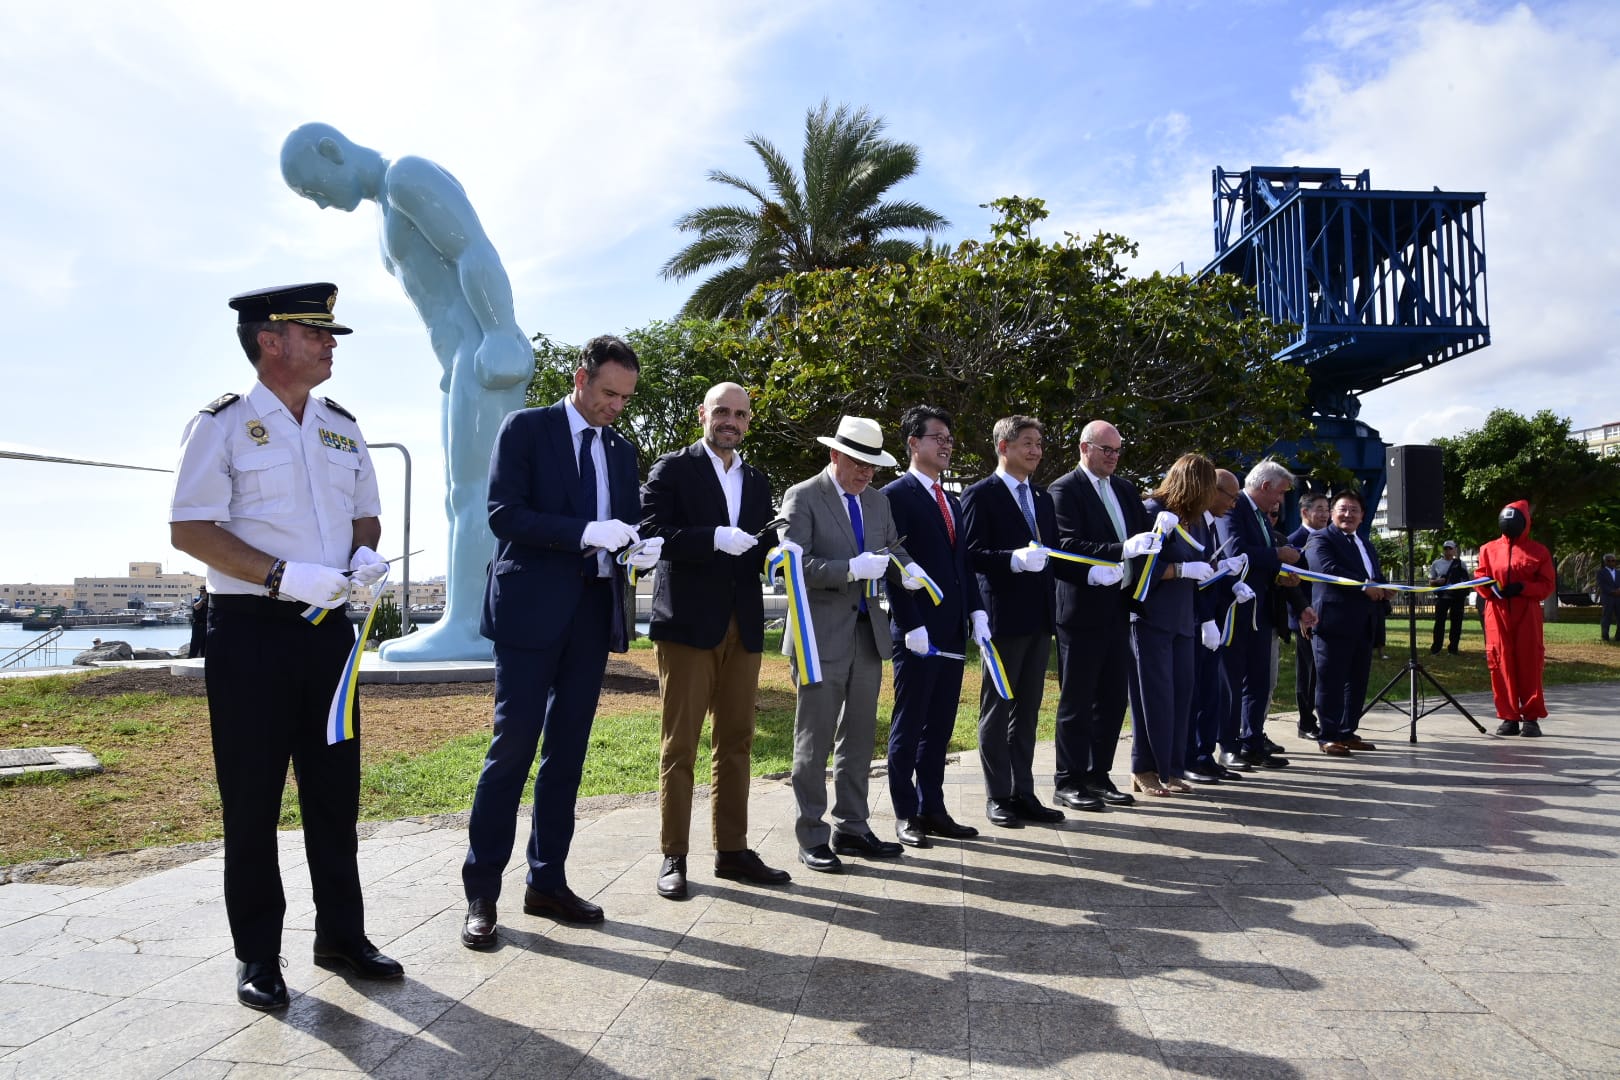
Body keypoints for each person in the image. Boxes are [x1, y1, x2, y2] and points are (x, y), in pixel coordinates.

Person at [170, 283, 400, 1011]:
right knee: (253, 798)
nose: (332, 344)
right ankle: (258, 956)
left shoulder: (341, 424)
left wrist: (363, 557)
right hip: (253, 635)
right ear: (271, 340)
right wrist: (278, 576)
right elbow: (190, 529)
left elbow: (366, 512)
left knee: (335, 793)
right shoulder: (223, 426)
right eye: (317, 331)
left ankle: (341, 935)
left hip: (329, 632)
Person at [281, 124, 535, 662]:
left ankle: (474, 627)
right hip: (460, 361)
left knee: (476, 494)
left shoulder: (407, 175)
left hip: (483, 352)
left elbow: (473, 250)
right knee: (459, 496)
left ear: (332, 151)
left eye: (314, 188)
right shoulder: (385, 206)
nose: (322, 204)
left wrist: (499, 331)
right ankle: (468, 619)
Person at [459, 336, 661, 948]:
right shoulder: (526, 429)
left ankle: (546, 880)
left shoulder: (622, 452)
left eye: (625, 399)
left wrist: (638, 547)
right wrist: (584, 532)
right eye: (607, 394)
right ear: (580, 379)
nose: (615, 408)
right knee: (512, 749)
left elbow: (626, 524)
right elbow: (503, 515)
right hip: (529, 614)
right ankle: (482, 894)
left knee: (567, 754)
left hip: (592, 617)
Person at [638, 383, 791, 900]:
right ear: (703, 414)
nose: (731, 420)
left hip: (743, 624)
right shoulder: (672, 469)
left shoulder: (758, 478)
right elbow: (651, 532)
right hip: (686, 625)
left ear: (749, 421)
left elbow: (759, 543)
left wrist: (776, 552)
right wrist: (711, 537)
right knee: (680, 745)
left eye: (740, 414)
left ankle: (732, 849)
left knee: (737, 741)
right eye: (721, 411)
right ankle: (673, 855)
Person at [780, 416, 918, 872]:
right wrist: (848, 570)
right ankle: (812, 834)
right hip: (819, 635)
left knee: (858, 738)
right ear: (835, 454)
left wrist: (908, 570)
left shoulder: (877, 502)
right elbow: (792, 568)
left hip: (868, 633)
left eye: (873, 466)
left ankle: (852, 827)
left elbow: (891, 550)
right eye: (859, 462)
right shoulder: (803, 496)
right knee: (813, 739)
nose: (866, 473)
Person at [881, 406, 987, 847]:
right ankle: (906, 813)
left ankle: (933, 807)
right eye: (937, 437)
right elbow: (892, 561)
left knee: (941, 724)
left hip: (952, 629)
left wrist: (977, 611)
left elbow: (962, 563)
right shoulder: (896, 495)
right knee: (910, 724)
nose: (946, 445)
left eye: (949, 438)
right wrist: (909, 622)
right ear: (913, 443)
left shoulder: (954, 501)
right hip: (918, 631)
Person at [959, 416, 1069, 827]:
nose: (1037, 451)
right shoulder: (980, 495)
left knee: (1028, 711)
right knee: (997, 707)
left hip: (1040, 618)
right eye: (1027, 443)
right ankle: (997, 795)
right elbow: (970, 556)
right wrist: (1012, 560)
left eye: (1039, 443)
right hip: (1002, 619)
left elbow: (1055, 553)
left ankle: (1024, 791)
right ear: (1003, 447)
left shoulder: (1041, 498)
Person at [1048, 420, 1160, 811]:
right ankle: (1068, 779)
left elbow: (1144, 535)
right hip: (1081, 610)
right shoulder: (1064, 489)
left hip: (1118, 607)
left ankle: (1098, 776)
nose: (1113, 457)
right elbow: (1065, 544)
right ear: (1085, 448)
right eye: (1106, 450)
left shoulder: (1126, 489)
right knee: (1078, 699)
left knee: (1113, 698)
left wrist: (1160, 530)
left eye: (1117, 451)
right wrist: (1119, 550)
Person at [1127, 454, 1220, 796]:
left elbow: (1203, 565)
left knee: (1182, 697)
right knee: (1152, 698)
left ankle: (1172, 768)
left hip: (1183, 620)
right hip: (1151, 618)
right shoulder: (1154, 511)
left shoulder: (1194, 519)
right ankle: (1144, 768)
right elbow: (1140, 569)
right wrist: (1180, 571)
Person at [1213, 459, 1313, 770]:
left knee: (1259, 681)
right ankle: (1227, 746)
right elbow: (1234, 552)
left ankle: (1252, 741)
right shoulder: (1235, 507)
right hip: (1237, 610)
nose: (1281, 500)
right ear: (1266, 486)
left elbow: (1259, 563)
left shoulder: (1258, 515)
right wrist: (1277, 555)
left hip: (1261, 610)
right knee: (1231, 681)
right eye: (1280, 493)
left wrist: (1281, 576)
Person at [1304, 492, 1389, 755]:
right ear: (1332, 513)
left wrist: (1386, 587)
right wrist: (1366, 587)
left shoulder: (1365, 543)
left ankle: (1347, 731)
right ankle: (1327, 735)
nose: (1348, 515)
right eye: (1342, 509)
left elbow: (1374, 575)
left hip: (1364, 623)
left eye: (1354, 510)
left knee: (1357, 681)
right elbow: (1328, 570)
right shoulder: (1320, 538)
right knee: (1330, 681)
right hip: (1333, 624)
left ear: (1363, 516)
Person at [1186, 469, 1252, 784]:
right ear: (1212, 491)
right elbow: (1193, 580)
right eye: (1231, 495)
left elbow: (1209, 573)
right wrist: (1204, 620)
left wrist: (1231, 583)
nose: (1234, 502)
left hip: (1213, 621)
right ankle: (1191, 758)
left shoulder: (1210, 526)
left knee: (1211, 694)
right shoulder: (1196, 523)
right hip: (1198, 623)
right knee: (1197, 695)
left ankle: (1204, 755)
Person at [1474, 500, 1556, 737]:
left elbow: (1546, 584)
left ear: (1525, 524)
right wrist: (1490, 589)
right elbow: (1480, 576)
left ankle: (1531, 717)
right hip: (1496, 612)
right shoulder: (1487, 550)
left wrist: (1522, 587)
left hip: (1527, 613)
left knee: (1529, 662)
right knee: (1500, 663)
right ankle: (1509, 717)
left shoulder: (1538, 551)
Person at [1288, 494, 1330, 739]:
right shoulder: (1295, 542)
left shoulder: (1328, 539)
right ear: (1304, 512)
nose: (1325, 514)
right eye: (1319, 509)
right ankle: (1306, 722)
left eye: (1327, 509)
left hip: (1328, 615)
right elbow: (1291, 586)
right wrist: (1301, 614)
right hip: (1306, 618)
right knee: (1308, 671)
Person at [1428, 541, 1469, 654]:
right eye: (1445, 548)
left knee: (1456, 623)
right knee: (1439, 623)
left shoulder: (1461, 564)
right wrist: (1437, 581)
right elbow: (1430, 582)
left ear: (1454, 550)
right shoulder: (1436, 563)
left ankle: (1453, 648)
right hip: (1442, 597)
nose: (1448, 551)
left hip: (1457, 598)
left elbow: (1466, 581)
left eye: (1450, 548)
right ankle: (1436, 648)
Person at [1598, 553, 1620, 644]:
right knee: (1606, 618)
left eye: (1613, 560)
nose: (1611, 562)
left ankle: (1618, 637)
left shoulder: (1619, 573)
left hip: (1618, 598)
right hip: (1608, 598)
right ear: (1605, 562)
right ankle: (1605, 636)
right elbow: (1602, 585)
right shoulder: (1601, 572)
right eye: (1609, 560)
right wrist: (1612, 591)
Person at [188, 587, 208, 659]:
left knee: (205, 646)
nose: (202, 593)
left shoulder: (210, 601)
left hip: (206, 625)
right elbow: (196, 607)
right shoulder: (196, 599)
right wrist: (202, 600)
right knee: (195, 644)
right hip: (197, 625)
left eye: (204, 591)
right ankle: (191, 659)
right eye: (201, 591)